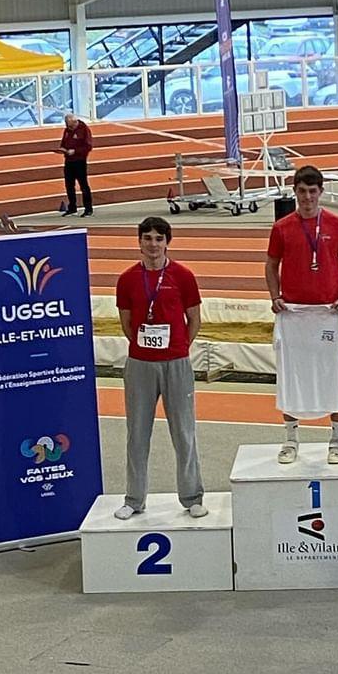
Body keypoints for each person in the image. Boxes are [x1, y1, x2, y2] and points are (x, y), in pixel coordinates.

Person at [265, 165, 338, 465]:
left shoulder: (337, 225)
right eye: (302, 191)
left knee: (334, 375)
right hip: (293, 314)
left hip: (327, 313)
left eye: (312, 191)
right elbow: (271, 265)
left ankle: (337, 438)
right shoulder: (281, 228)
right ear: (295, 192)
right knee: (291, 374)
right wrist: (275, 296)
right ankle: (291, 439)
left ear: (321, 192)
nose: (307, 197)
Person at [114, 216, 206, 520]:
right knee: (137, 434)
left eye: (158, 238)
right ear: (139, 241)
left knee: (184, 432)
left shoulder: (183, 276)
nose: (153, 244)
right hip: (140, 365)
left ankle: (192, 496)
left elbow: (194, 319)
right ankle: (134, 498)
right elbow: (127, 322)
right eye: (147, 238)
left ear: (167, 242)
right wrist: (144, 347)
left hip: (177, 363)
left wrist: (178, 347)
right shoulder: (127, 279)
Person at [58, 112, 93, 217]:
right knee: (69, 185)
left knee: (83, 185)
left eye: (70, 125)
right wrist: (63, 149)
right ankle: (72, 207)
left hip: (80, 161)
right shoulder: (67, 131)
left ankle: (88, 209)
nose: (68, 127)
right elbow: (63, 143)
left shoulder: (84, 130)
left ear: (75, 121)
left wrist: (75, 151)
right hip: (68, 161)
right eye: (66, 124)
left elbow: (88, 146)